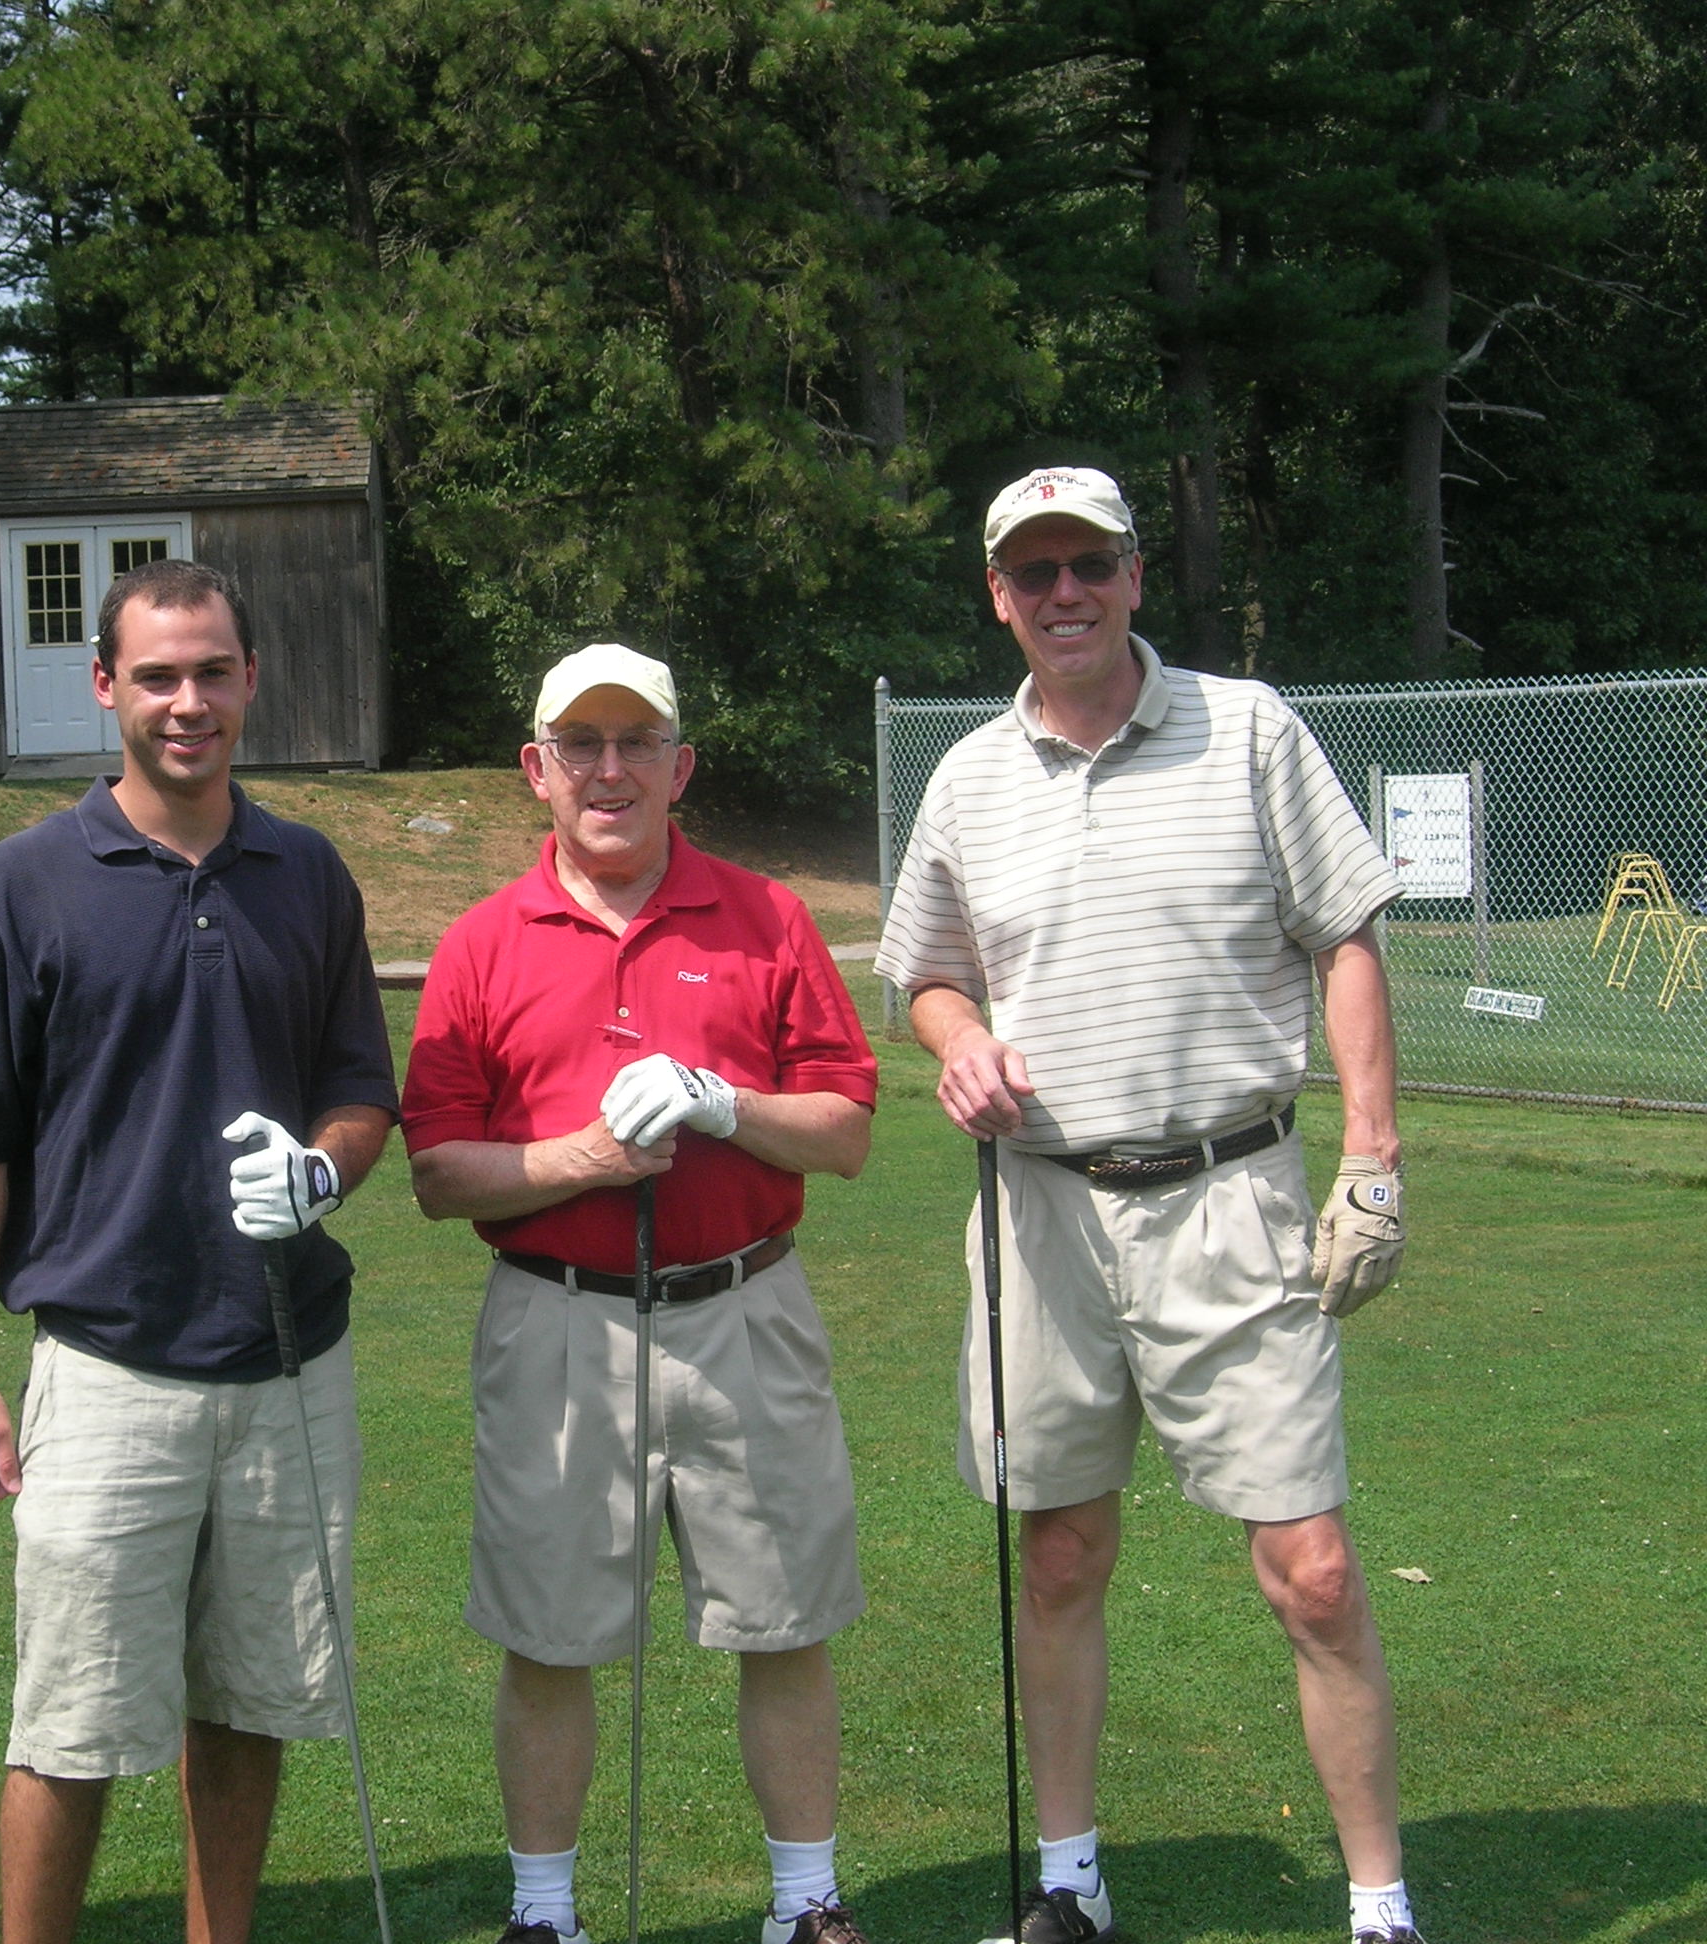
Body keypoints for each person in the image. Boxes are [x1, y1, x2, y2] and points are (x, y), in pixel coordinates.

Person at [873, 466, 1418, 1944]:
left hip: (1229, 1196)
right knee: (1058, 1551)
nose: (1064, 594)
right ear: (997, 595)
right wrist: (959, 1040)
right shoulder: (968, 778)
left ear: (1131, 577)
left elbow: (1347, 934)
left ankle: (1382, 1909)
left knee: (1310, 1569)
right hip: (1042, 1211)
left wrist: (1371, 1155)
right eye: (1032, 571)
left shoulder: (1248, 728)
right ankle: (1069, 1887)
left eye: (1089, 565)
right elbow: (926, 970)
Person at [0, 557, 399, 1944]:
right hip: (107, 1360)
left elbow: (362, 1093)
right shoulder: (24, 885)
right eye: (157, 676)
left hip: (287, 1359)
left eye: (212, 673)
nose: (188, 703)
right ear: (106, 689)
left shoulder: (306, 873)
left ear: (251, 679)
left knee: (256, 1698)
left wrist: (322, 1171)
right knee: (70, 1721)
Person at [399, 643, 882, 1944]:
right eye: (580, 746)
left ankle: (805, 1903)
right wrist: (586, 1160)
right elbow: (439, 1172)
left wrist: (727, 1106)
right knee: (549, 1636)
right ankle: (544, 1916)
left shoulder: (767, 917)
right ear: (536, 771)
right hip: (557, 1319)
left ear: (681, 766)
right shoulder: (482, 943)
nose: (607, 771)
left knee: (782, 1618)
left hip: (744, 1310)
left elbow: (844, 1130)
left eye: (635, 745)